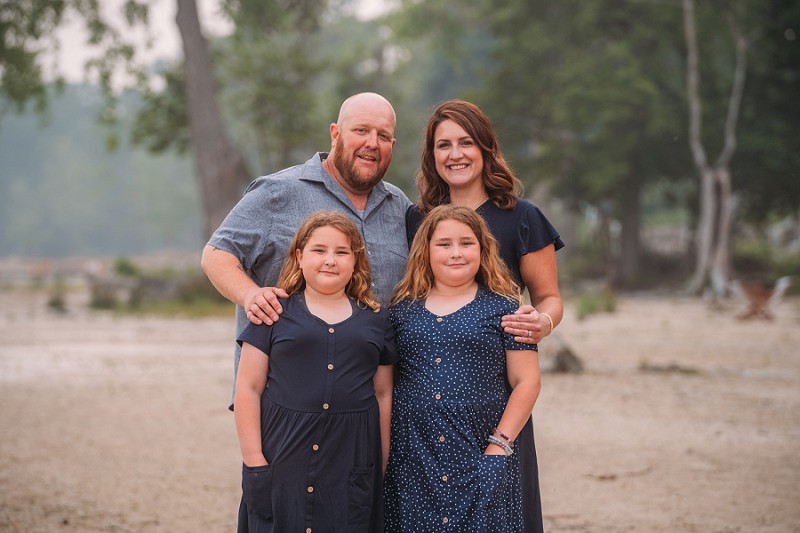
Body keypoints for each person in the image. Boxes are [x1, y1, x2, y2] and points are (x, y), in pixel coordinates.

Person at [405, 99, 565, 532]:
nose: (454, 154)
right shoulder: (417, 219)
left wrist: (541, 323)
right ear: (431, 155)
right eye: (443, 145)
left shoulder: (522, 216)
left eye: (465, 142)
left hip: (496, 395)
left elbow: (550, 297)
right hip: (429, 403)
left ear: (485, 148)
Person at [201, 92, 411, 409]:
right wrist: (250, 295)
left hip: (373, 404)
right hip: (287, 401)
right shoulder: (277, 192)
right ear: (335, 133)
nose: (372, 142)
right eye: (361, 130)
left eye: (382, 135)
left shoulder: (400, 206)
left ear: (391, 147)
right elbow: (217, 255)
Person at [234, 211, 397, 532]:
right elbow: (248, 388)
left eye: (342, 252)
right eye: (319, 250)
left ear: (356, 260)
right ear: (299, 256)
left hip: (350, 461)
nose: (330, 261)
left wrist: (379, 464)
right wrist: (254, 462)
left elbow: (383, 393)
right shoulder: (273, 313)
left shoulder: (376, 322)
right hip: (283, 458)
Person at [384, 205, 541, 531]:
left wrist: (499, 446)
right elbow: (386, 385)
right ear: (425, 250)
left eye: (466, 243)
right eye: (443, 244)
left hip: (482, 449)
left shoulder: (506, 306)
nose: (456, 253)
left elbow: (527, 381)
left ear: (483, 250)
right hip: (415, 456)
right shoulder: (401, 309)